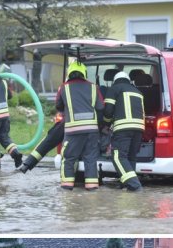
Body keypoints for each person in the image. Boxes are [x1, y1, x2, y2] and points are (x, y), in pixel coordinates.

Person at [55, 61, 104, 190]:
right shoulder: (94, 87)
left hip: (72, 131)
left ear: (69, 73)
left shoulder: (63, 87)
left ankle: (66, 189)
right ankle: (92, 189)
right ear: (84, 73)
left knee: (69, 158)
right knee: (90, 159)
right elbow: (100, 107)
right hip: (92, 131)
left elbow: (58, 106)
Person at [102, 70, 144, 190]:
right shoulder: (138, 92)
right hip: (139, 129)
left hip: (123, 128)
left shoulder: (114, 89)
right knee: (131, 157)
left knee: (117, 156)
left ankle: (135, 185)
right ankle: (127, 185)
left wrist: (105, 123)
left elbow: (108, 111)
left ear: (115, 81)